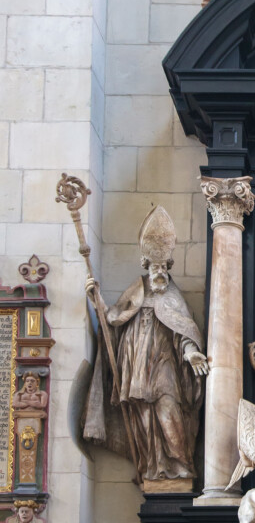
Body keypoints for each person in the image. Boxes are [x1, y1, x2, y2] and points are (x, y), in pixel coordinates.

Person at [82, 206, 208, 484]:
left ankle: (180, 464)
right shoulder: (136, 292)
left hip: (165, 369)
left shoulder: (173, 297)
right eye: (155, 267)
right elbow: (113, 319)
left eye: (163, 267)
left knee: (169, 412)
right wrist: (97, 300)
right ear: (147, 268)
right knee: (145, 419)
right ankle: (153, 467)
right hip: (137, 366)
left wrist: (191, 352)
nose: (159, 272)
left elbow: (184, 330)